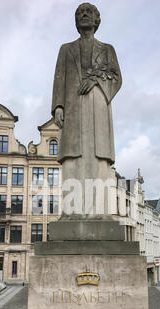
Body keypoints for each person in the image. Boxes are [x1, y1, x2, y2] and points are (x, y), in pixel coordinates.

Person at [52, 3, 122, 216]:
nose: (83, 16)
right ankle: (72, 213)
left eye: (88, 13)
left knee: (99, 157)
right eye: (79, 13)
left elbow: (117, 78)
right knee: (73, 157)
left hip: (99, 107)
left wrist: (96, 80)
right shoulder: (66, 49)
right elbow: (58, 78)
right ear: (76, 21)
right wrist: (58, 106)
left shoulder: (108, 49)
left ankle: (100, 212)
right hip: (73, 107)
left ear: (96, 19)